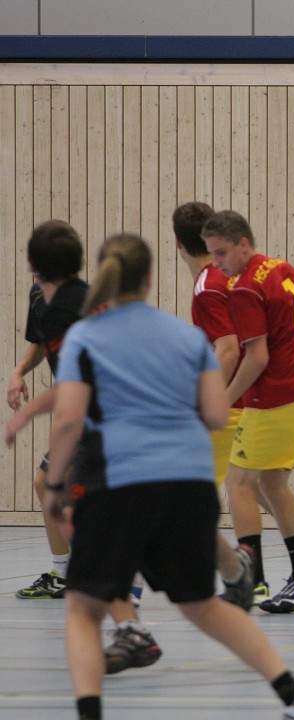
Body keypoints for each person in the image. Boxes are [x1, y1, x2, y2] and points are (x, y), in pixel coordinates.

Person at [43, 233, 294, 720]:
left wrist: (53, 484)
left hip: (119, 482)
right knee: (204, 607)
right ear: (151, 278)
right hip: (187, 482)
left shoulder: (86, 336)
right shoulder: (183, 336)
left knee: (82, 609)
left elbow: (69, 420)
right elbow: (217, 413)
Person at [3, 220, 164, 675]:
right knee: (85, 518)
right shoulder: (52, 302)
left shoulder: (73, 309)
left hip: (105, 423)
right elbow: (46, 352)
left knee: (82, 517)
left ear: (35, 266)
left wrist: (40, 423)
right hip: (112, 420)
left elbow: (82, 383)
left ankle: (129, 615)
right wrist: (20, 376)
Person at [175, 202, 294, 607]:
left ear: (243, 244)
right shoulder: (281, 268)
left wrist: (219, 400)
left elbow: (253, 356)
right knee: (271, 485)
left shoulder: (245, 288)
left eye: (220, 253)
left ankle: (253, 580)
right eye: (211, 254)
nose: (216, 263)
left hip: (278, 397)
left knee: (239, 482)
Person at [7, 220, 87, 600]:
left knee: (54, 486)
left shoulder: (80, 306)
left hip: (92, 410)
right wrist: (20, 371)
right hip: (76, 406)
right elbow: (40, 342)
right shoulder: (40, 297)